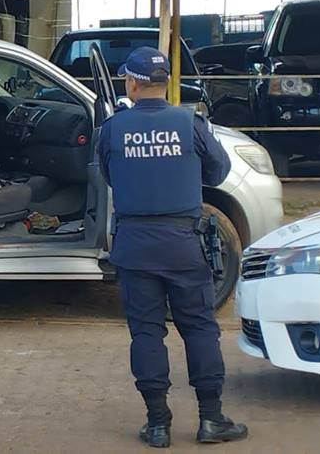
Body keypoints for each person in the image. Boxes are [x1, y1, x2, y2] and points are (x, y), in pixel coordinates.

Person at [97, 47, 249, 448]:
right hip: (184, 244)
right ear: (165, 83)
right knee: (199, 328)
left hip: (135, 246)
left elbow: (109, 175)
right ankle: (211, 418)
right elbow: (219, 171)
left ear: (132, 83)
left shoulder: (113, 128)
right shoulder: (190, 123)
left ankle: (158, 423)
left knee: (146, 333)